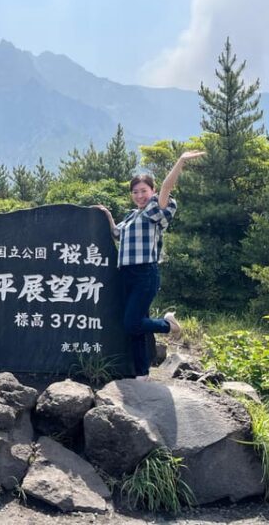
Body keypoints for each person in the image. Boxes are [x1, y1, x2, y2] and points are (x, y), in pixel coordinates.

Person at [95, 150, 205, 381]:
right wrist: (107, 215)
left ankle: (168, 325)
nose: (139, 195)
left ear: (152, 191)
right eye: (135, 192)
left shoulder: (155, 210)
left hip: (145, 273)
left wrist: (181, 161)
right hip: (126, 274)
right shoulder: (131, 216)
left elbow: (167, 187)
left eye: (143, 190)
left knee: (132, 323)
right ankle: (142, 373)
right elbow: (116, 234)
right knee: (136, 327)